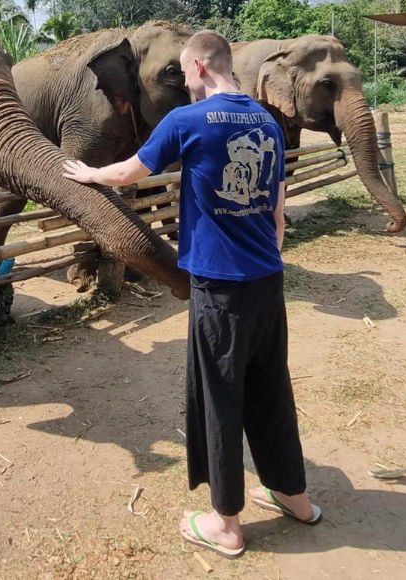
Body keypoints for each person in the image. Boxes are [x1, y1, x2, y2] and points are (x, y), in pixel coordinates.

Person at [63, 30, 317, 559]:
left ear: (199, 67)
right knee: (270, 387)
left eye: (183, 72)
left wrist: (88, 173)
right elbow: (277, 206)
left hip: (220, 287)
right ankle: (295, 497)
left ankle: (226, 524)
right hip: (267, 279)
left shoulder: (189, 120)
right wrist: (261, 253)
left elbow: (130, 170)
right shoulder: (266, 120)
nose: (184, 82)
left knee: (219, 396)